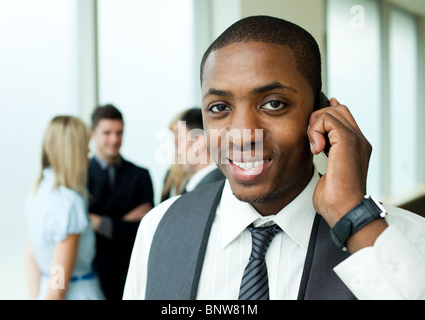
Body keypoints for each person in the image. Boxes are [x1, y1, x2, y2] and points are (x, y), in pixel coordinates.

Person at [123, 16, 425, 300]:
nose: (242, 135)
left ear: (320, 113)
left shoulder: (404, 241)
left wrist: (353, 217)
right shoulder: (159, 227)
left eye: (274, 104)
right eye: (219, 108)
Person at [25, 115, 104, 300]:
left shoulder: (38, 190)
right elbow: (59, 284)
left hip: (45, 291)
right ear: (73, 153)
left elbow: (31, 256)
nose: (88, 157)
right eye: (85, 150)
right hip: (77, 293)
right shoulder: (68, 203)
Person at [88, 104, 154, 300]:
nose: (114, 140)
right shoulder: (80, 177)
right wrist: (124, 222)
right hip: (92, 274)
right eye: (107, 133)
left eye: (119, 133)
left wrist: (100, 222)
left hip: (130, 274)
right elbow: (81, 228)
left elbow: (144, 230)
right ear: (93, 134)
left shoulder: (140, 175)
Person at [176, 108, 225, 193]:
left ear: (198, 142)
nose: (178, 151)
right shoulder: (217, 182)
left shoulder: (208, 189)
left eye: (180, 140)